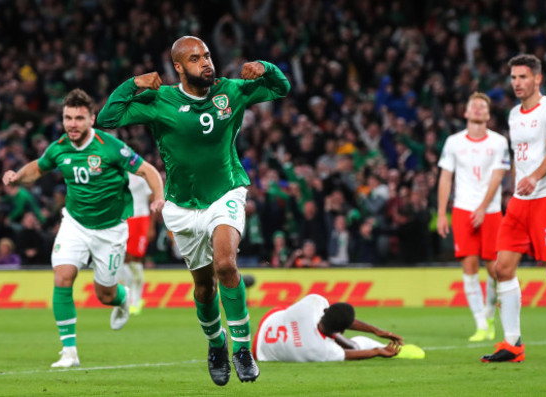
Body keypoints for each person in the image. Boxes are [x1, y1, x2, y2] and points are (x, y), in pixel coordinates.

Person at [96, 35, 290, 385]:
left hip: (225, 192)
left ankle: (241, 349)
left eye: (208, 55)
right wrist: (133, 83)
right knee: (203, 288)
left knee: (227, 264)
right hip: (182, 207)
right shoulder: (161, 100)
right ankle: (216, 344)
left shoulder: (232, 90)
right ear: (179, 67)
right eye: (196, 58)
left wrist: (267, 67)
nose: (206, 63)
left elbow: (281, 88)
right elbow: (108, 118)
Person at [2, 89, 164, 368]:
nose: (72, 124)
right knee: (62, 277)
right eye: (68, 118)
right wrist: (16, 177)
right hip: (75, 224)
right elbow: (38, 168)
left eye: (79, 118)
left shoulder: (110, 147)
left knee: (105, 294)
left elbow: (148, 170)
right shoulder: (59, 148)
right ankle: (69, 352)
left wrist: (158, 197)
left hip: (110, 230)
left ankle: (122, 299)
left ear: (91, 119)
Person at [481, 54, 546, 363]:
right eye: (513, 78)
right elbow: (519, 158)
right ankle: (512, 344)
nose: (517, 83)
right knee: (502, 268)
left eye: (522, 77)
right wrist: (515, 189)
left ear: (537, 78)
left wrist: (534, 178)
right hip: (520, 203)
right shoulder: (513, 115)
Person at [436, 92, 510, 342]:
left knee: (494, 269)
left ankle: (489, 313)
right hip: (462, 209)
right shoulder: (454, 142)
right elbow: (446, 177)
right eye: (473, 106)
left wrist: (482, 207)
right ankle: (481, 325)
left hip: (490, 211)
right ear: (466, 113)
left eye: (483, 106)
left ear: (488, 114)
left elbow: (498, 176)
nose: (478, 109)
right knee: (469, 266)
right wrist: (441, 213)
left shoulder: (499, 142)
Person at [253, 294, 414, 362]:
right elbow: (350, 353)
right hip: (262, 352)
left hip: (269, 322)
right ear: (341, 331)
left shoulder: (313, 303)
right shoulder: (320, 350)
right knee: (354, 345)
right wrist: (377, 349)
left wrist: (376, 333)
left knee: (290, 313)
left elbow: (335, 316)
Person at [118, 173, 155, 315]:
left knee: (135, 259)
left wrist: (151, 226)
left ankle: (136, 300)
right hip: (124, 218)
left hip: (140, 220)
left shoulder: (142, 176)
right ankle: (129, 298)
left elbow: (152, 200)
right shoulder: (118, 175)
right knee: (123, 259)